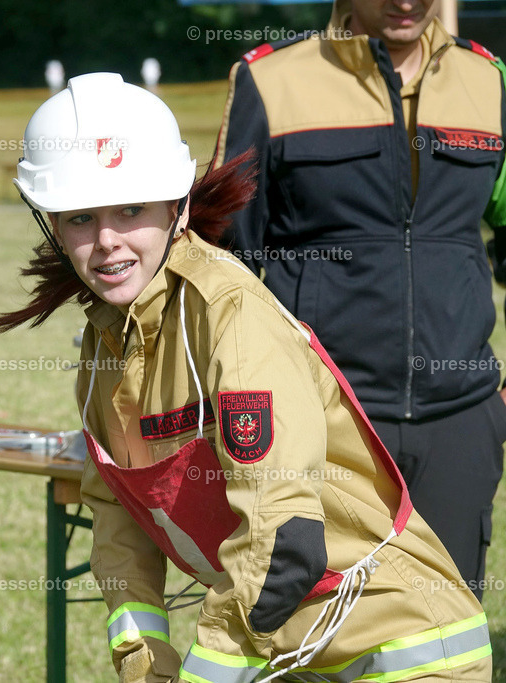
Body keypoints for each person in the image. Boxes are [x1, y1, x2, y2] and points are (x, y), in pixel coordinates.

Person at [0, 72, 491, 682]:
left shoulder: (230, 314)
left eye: (131, 210)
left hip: (404, 654)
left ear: (177, 209)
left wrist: (206, 673)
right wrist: (143, 657)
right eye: (79, 218)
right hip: (285, 654)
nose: (107, 242)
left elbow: (283, 540)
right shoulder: (105, 342)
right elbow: (117, 518)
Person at [213, 0, 506, 600]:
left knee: (443, 640)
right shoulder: (271, 81)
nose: (407, 2)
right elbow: (225, 265)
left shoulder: (488, 79)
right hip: (322, 424)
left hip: (461, 425)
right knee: (322, 638)